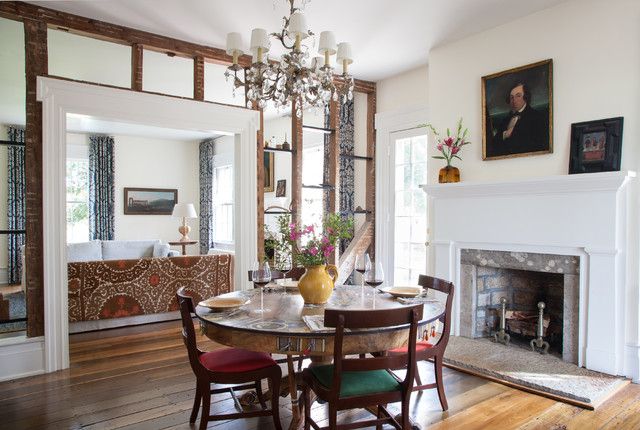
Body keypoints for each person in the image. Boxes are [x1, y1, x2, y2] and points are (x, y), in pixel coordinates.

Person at [489, 81, 548, 157]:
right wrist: (505, 134)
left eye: (518, 96)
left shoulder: (537, 117)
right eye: (511, 97)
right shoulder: (505, 120)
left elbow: (539, 145)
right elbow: (494, 144)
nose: (514, 100)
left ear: (526, 97)